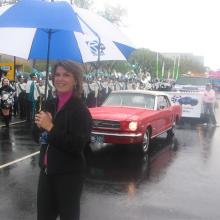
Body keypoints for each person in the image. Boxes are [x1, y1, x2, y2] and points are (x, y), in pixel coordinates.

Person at [34, 61, 92, 220]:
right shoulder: (49, 104)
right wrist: (40, 127)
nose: (60, 78)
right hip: (46, 172)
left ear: (76, 80)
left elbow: (76, 145)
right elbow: (35, 137)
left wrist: (50, 127)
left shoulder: (80, 110)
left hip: (69, 175)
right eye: (57, 74)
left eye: (66, 75)